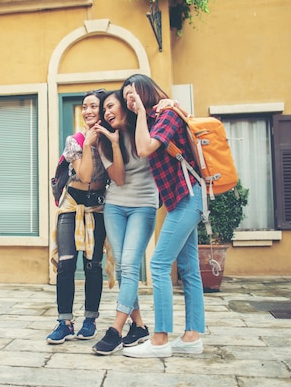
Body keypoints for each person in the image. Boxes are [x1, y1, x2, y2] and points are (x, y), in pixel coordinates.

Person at [120, 74, 205, 359]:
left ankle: (160, 339)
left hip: (188, 198)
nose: (129, 101)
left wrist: (142, 111)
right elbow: (142, 145)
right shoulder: (155, 118)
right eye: (126, 98)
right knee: (189, 268)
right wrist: (140, 115)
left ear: (144, 91)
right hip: (182, 200)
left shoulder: (166, 114)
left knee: (158, 264)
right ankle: (192, 336)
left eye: (132, 94)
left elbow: (145, 149)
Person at [90, 90, 159, 355]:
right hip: (115, 206)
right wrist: (115, 142)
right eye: (104, 110)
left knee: (129, 266)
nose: (107, 112)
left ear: (124, 106)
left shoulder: (145, 127)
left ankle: (116, 330)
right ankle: (139, 326)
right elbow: (118, 178)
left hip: (143, 205)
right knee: (122, 268)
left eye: (110, 106)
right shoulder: (105, 141)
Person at [47, 89, 111, 344]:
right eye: (85, 106)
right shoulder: (74, 140)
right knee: (65, 264)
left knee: (93, 266)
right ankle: (64, 322)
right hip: (71, 205)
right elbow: (84, 175)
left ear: (104, 110)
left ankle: (90, 320)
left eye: (93, 106)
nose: (88, 111)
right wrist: (87, 144)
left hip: (96, 207)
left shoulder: (111, 140)